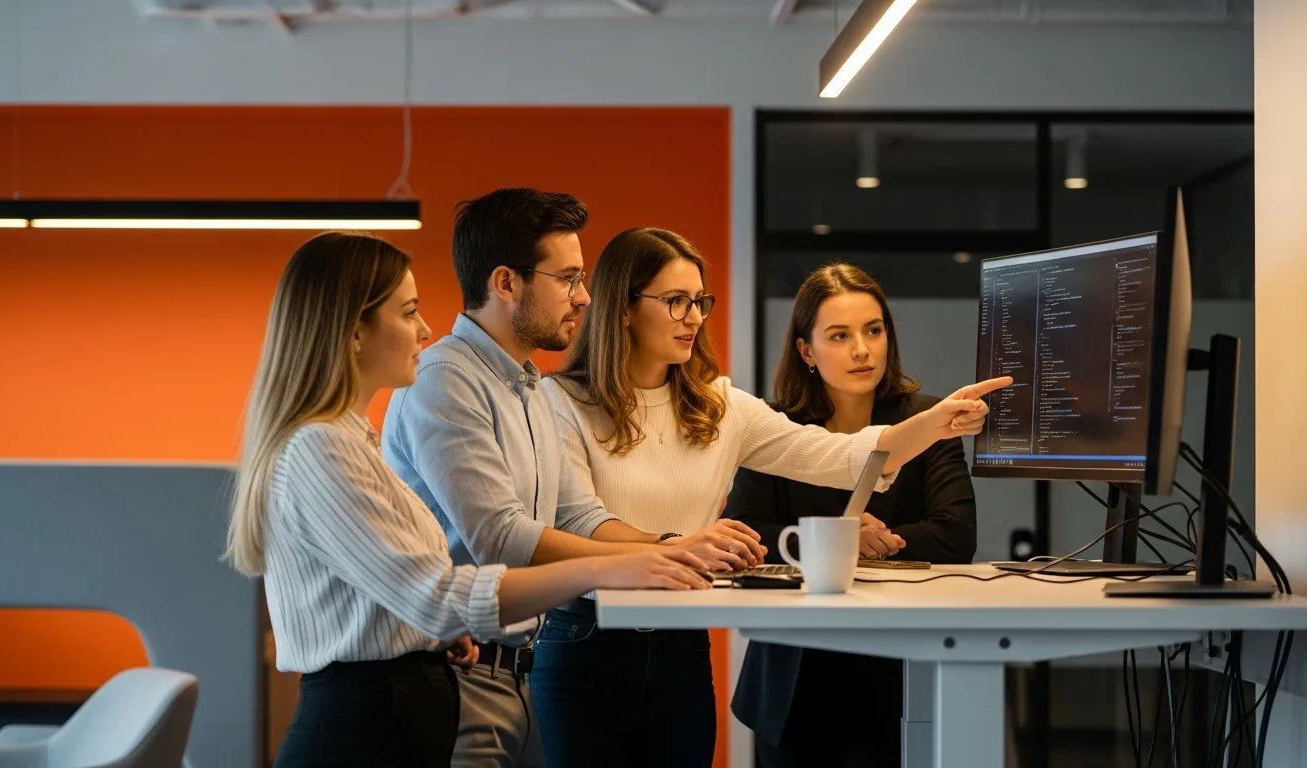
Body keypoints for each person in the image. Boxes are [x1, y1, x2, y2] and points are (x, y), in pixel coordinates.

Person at [224, 231, 714, 768]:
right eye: (408, 312)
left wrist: (430, 637)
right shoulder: (322, 446)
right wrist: (601, 569)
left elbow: (397, 584)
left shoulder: (352, 439)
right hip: (362, 725)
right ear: (354, 332)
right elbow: (437, 592)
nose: (425, 329)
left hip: (398, 711)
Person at [534, 228, 1009, 767]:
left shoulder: (720, 406)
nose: (694, 317)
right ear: (622, 308)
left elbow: (840, 454)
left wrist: (932, 423)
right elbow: (579, 521)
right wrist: (683, 546)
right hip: (584, 641)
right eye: (676, 301)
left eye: (700, 301)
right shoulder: (561, 401)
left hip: (680, 646)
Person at [381, 190, 763, 768]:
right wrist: (628, 565)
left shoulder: (530, 384)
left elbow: (577, 514)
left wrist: (674, 548)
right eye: (567, 279)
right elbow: (502, 539)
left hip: (518, 670)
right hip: (457, 670)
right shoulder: (445, 379)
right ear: (506, 283)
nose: (584, 297)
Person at [722, 262, 978, 768]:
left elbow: (954, 538)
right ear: (806, 351)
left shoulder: (924, 422)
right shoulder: (775, 427)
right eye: (839, 335)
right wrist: (834, 539)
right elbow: (744, 533)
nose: (862, 350)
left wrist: (850, 546)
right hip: (791, 673)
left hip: (897, 663)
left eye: (874, 330)